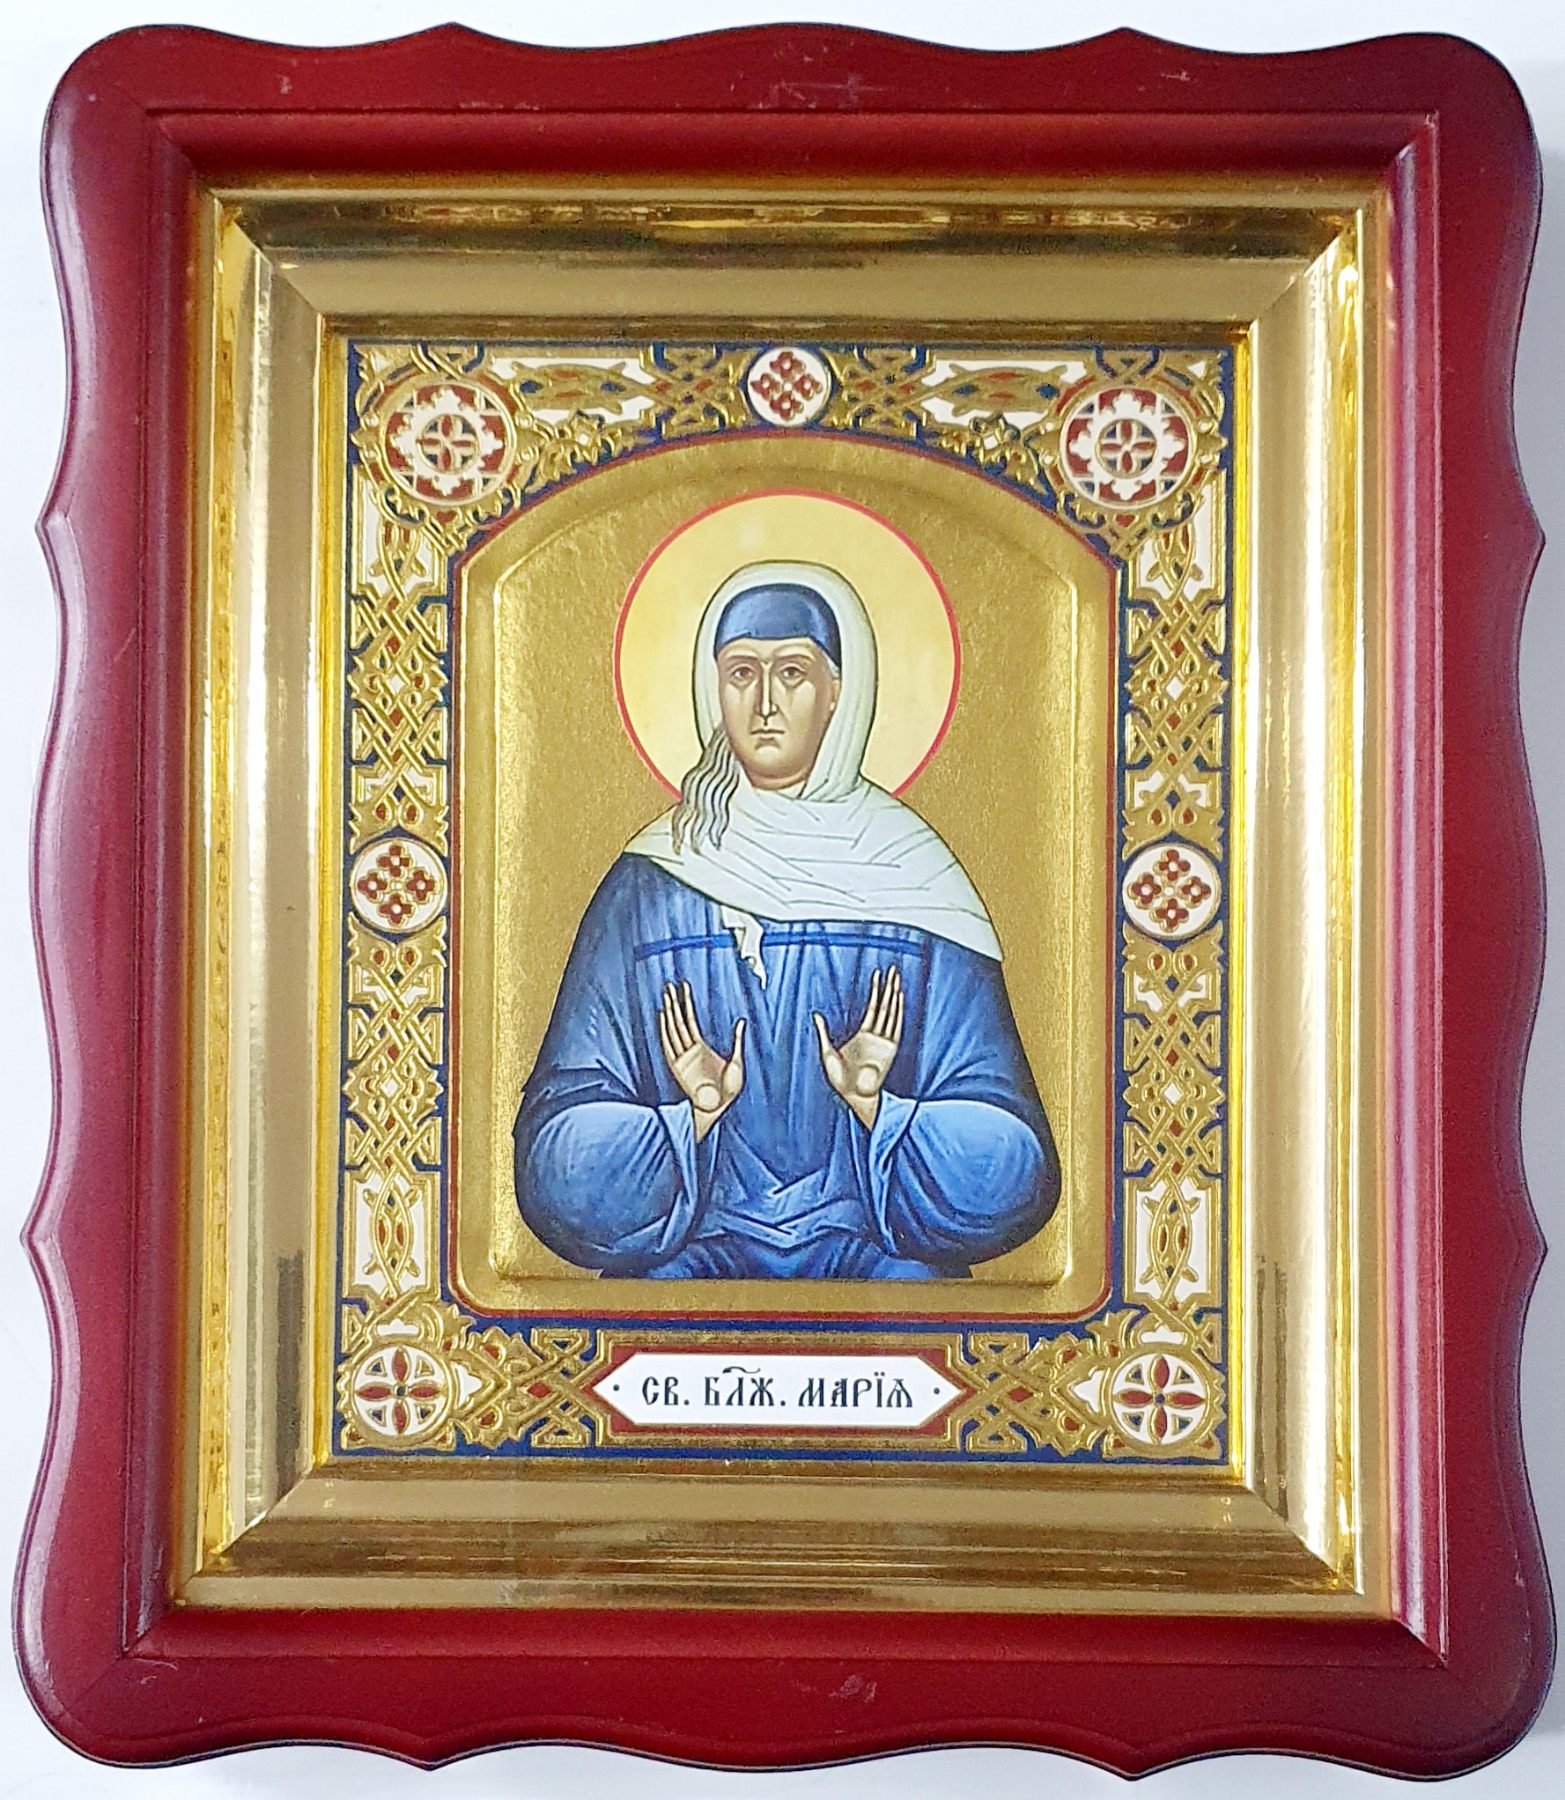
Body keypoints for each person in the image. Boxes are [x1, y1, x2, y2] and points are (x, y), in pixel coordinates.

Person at [512, 560, 1060, 1279]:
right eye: (742, 673)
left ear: (838, 692)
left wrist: (881, 1111)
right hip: (689, 1257)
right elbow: (553, 1158)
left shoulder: (917, 880)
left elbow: (1017, 1165)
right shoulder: (648, 885)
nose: (765, 703)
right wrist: (688, 1121)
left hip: (879, 1260)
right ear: (712, 690)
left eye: (793, 673)